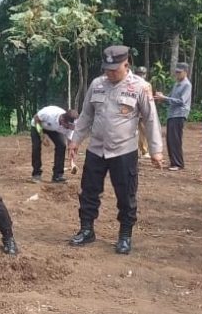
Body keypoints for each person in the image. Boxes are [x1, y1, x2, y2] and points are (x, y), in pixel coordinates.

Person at [67, 46, 164, 255]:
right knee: (89, 191)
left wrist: (156, 151)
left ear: (126, 64)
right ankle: (86, 229)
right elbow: (86, 115)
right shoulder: (97, 84)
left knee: (126, 194)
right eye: (107, 69)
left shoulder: (140, 87)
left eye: (114, 69)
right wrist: (75, 140)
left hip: (124, 151)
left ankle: (125, 235)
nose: (110, 73)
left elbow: (150, 119)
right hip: (96, 149)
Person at [154, 62, 192, 171]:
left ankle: (178, 164)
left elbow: (181, 101)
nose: (177, 74)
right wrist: (161, 98)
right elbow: (170, 98)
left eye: (179, 72)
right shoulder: (177, 84)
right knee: (170, 139)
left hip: (179, 114)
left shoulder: (186, 85)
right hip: (172, 114)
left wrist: (164, 98)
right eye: (176, 72)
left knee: (175, 139)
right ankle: (173, 162)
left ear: (185, 72)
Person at [30, 105, 78, 183]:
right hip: (38, 126)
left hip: (54, 129)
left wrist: (71, 151)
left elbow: (70, 141)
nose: (69, 128)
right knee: (36, 147)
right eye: (68, 126)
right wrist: (42, 136)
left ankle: (57, 176)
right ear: (62, 120)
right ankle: (36, 174)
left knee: (62, 145)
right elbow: (36, 118)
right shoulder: (49, 114)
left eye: (71, 127)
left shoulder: (70, 125)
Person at [134, 66, 151, 159]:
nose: (141, 76)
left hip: (143, 112)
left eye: (142, 74)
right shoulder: (131, 84)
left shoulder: (146, 85)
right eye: (139, 74)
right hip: (133, 112)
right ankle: (134, 151)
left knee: (144, 132)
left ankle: (144, 151)